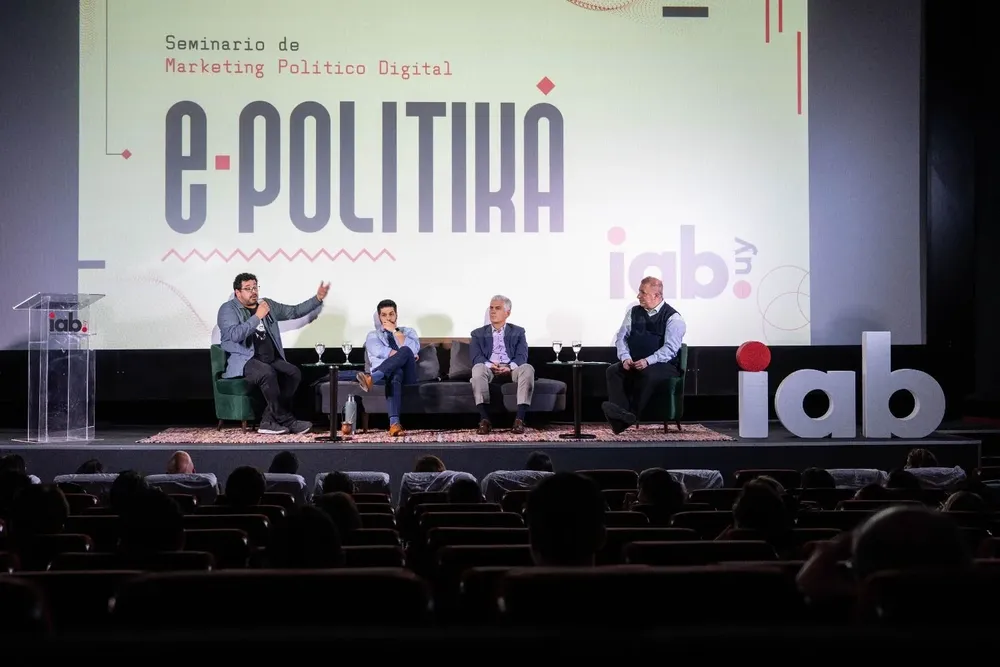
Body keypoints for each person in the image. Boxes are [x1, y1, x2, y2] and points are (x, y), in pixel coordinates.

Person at [217, 272, 329, 435]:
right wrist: (257, 317)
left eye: (255, 287)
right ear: (238, 292)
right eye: (248, 288)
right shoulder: (228, 309)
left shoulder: (266, 304)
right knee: (267, 372)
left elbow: (293, 311)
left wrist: (317, 298)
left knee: (293, 373)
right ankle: (288, 421)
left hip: (269, 359)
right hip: (245, 361)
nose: (253, 292)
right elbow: (235, 335)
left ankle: (268, 421)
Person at [602, 276, 686, 434]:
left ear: (656, 295)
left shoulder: (673, 318)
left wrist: (648, 361)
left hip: (663, 365)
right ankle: (621, 417)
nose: (638, 296)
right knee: (613, 371)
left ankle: (631, 415)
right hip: (635, 361)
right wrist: (625, 357)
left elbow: (670, 349)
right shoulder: (633, 312)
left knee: (647, 374)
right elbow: (621, 337)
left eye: (642, 292)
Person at [469, 295, 534, 435]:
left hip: (511, 369)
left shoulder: (518, 332)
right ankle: (485, 420)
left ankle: (519, 420)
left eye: (497, 308)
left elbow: (522, 356)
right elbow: (476, 357)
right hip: (489, 369)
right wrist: (489, 365)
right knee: (477, 368)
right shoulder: (477, 334)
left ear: (507, 313)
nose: (493, 311)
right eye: (491, 308)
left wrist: (509, 367)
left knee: (528, 368)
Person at [356, 299, 420, 437]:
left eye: (391, 314)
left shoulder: (408, 332)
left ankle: (372, 379)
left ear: (396, 315)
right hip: (387, 377)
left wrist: (395, 331)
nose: (388, 318)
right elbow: (379, 351)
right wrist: (405, 356)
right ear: (379, 317)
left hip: (408, 376)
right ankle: (394, 424)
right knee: (396, 371)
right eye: (384, 315)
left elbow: (413, 349)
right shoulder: (373, 335)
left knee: (406, 350)